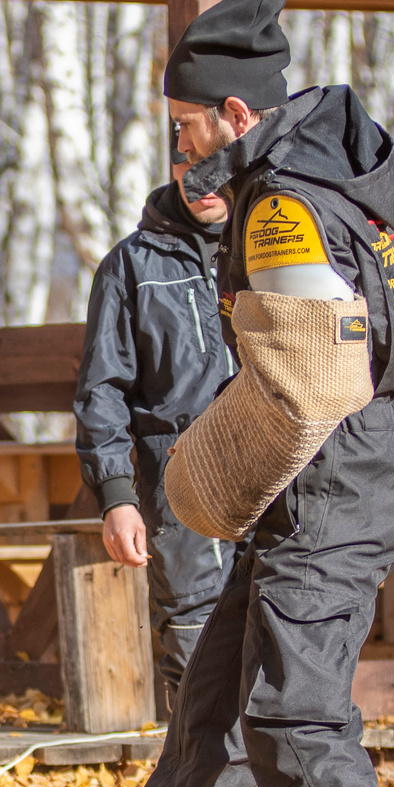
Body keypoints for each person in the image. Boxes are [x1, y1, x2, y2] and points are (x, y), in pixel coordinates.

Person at [72, 0, 394, 787]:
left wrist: (210, 475)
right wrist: (388, 365)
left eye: (185, 123)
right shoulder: (354, 164)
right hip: (339, 471)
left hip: (334, 486)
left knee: (292, 717)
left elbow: (308, 385)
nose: (178, 143)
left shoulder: (284, 205)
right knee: (209, 706)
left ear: (235, 113)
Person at [74, 177, 237, 709]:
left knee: (287, 647)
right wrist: (116, 498)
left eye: (215, 162)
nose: (202, 179)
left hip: (281, 483)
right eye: (187, 159)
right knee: (197, 657)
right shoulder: (130, 265)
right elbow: (102, 390)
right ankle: (196, 765)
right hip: (181, 489)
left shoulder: (277, 243)